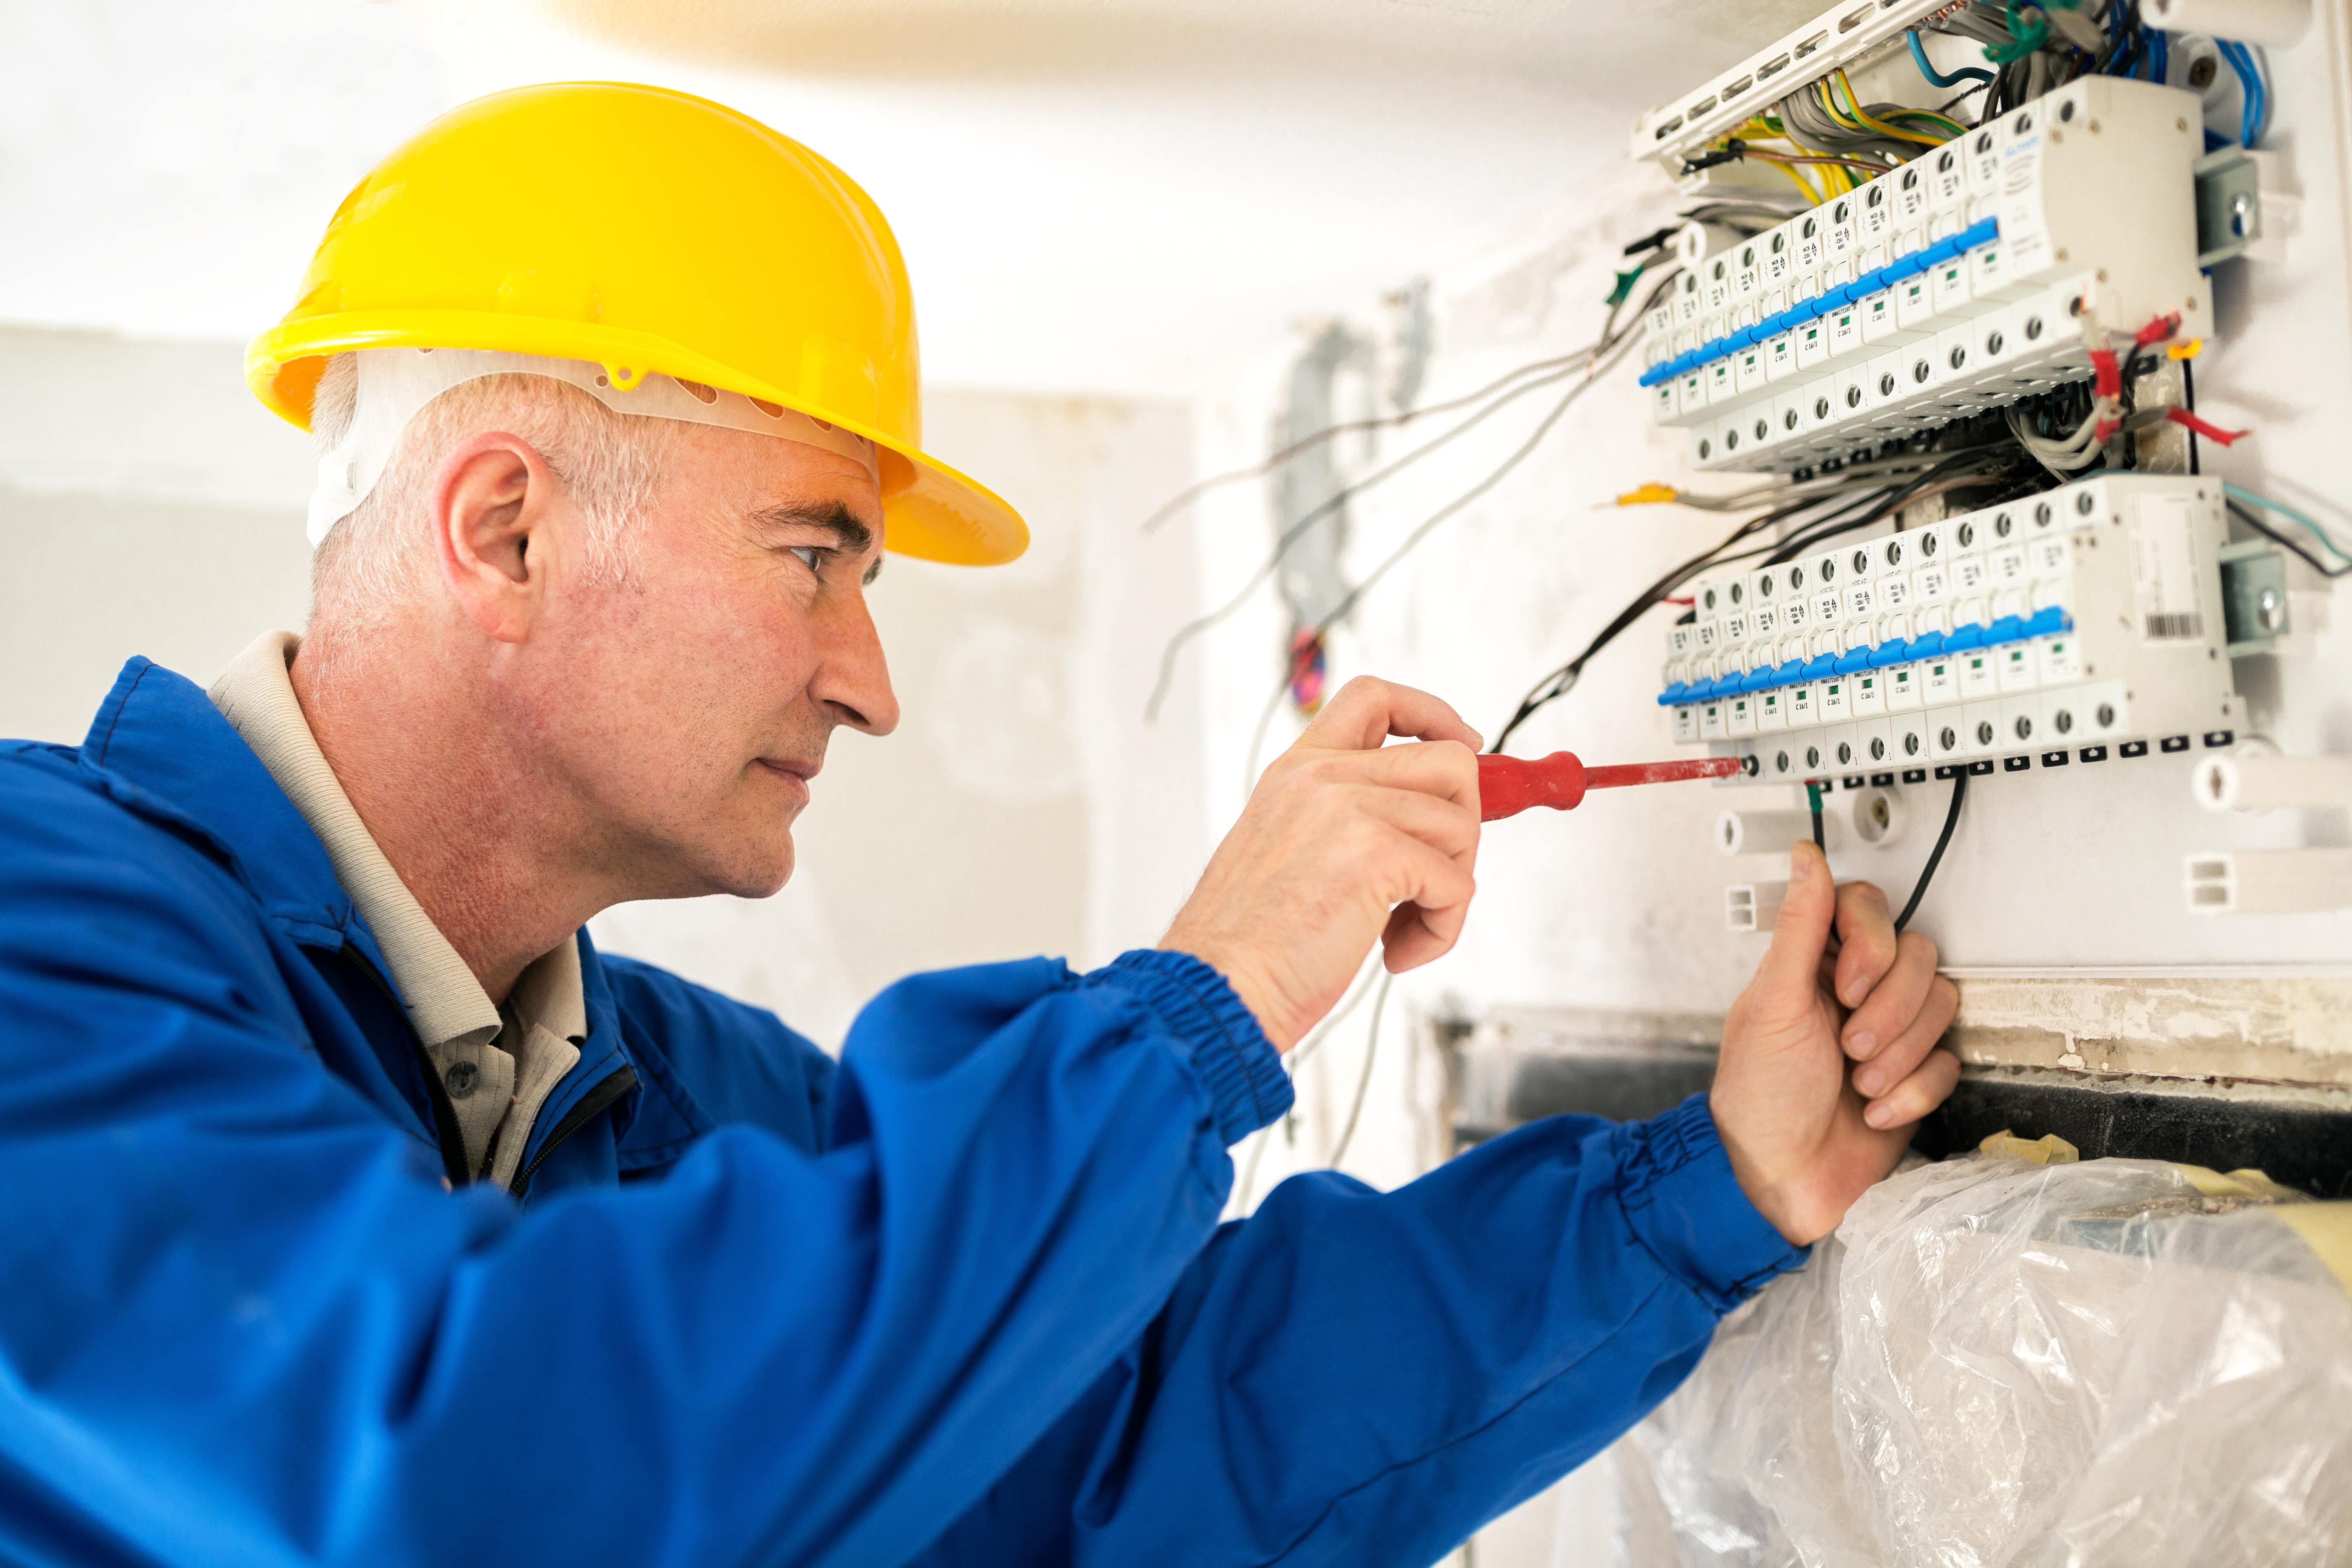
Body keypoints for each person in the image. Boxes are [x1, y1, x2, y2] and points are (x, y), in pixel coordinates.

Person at [0, 83, 1958, 1567]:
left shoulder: (662, 1096)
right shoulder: (45, 933)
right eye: (813, 554)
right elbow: (443, 1474)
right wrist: (1207, 1004)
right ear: (506, 529)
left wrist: (1720, 1183)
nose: (870, 679)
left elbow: (1121, 1441)